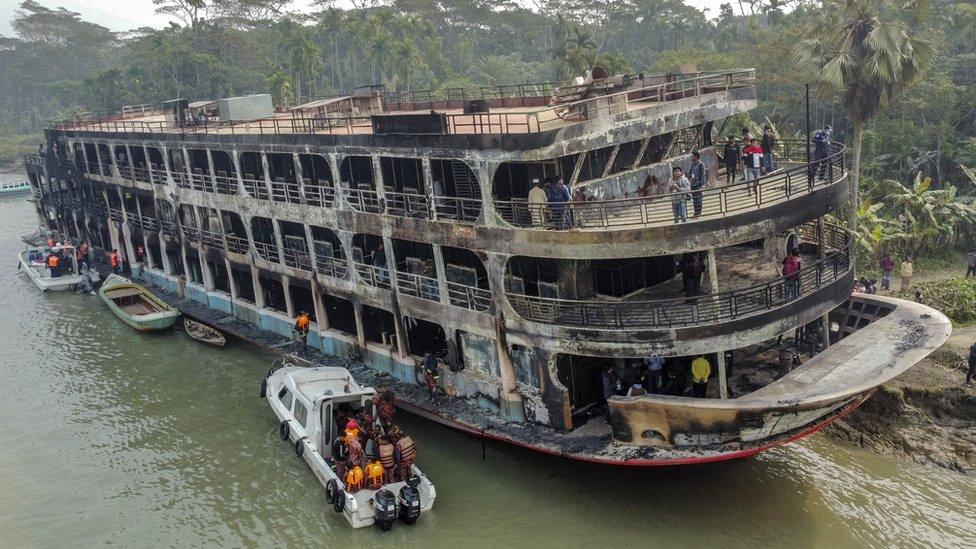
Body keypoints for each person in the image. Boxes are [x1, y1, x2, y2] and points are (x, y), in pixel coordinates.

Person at [688, 151, 707, 217]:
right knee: (694, 199)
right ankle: (696, 212)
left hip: (698, 184)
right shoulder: (692, 164)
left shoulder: (701, 164)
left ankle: (698, 213)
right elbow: (690, 172)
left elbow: (703, 175)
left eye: (692, 156)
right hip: (693, 184)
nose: (691, 157)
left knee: (698, 199)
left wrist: (703, 184)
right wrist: (689, 175)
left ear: (696, 157)